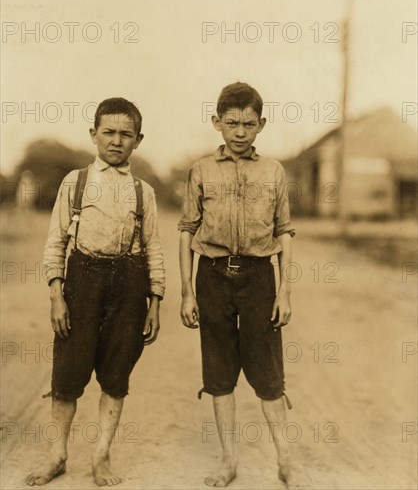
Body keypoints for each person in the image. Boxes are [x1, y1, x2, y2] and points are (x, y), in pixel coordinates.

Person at [26, 97, 165, 487]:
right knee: (67, 375)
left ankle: (101, 456)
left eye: (126, 134)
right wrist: (57, 295)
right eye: (109, 132)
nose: (117, 141)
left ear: (138, 139)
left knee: (116, 375)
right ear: (93, 135)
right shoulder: (76, 182)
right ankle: (57, 455)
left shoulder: (144, 192)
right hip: (81, 282)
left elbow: (153, 248)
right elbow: (55, 241)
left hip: (130, 284)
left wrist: (155, 301)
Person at [179, 82, 295, 488]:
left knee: (268, 373)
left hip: (260, 278)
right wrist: (186, 291)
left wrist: (284, 290)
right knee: (219, 372)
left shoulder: (274, 171)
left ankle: (286, 460)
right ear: (217, 123)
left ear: (261, 124)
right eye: (231, 123)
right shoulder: (201, 170)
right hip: (211, 277)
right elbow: (186, 231)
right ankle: (228, 460)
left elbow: (284, 232)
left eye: (249, 123)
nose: (240, 132)